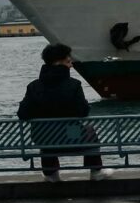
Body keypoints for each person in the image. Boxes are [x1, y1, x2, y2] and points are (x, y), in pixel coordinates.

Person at [17, 43, 113, 182]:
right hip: (71, 136)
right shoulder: (74, 85)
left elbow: (23, 114)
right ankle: (96, 171)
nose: (71, 65)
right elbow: (83, 112)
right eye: (68, 61)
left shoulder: (33, 86)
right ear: (58, 62)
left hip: (44, 139)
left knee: (45, 133)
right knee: (89, 130)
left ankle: (51, 174)